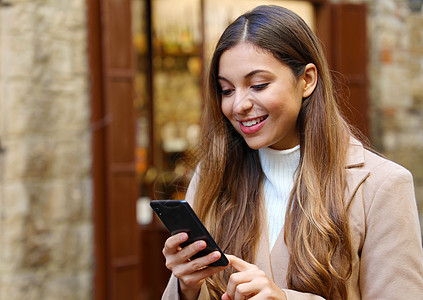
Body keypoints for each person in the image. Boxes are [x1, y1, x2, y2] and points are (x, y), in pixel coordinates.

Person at [160, 5, 423, 300]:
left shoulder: (382, 186)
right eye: (227, 90)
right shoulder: (213, 175)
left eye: (258, 85)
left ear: (307, 80)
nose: (239, 105)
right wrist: (186, 286)